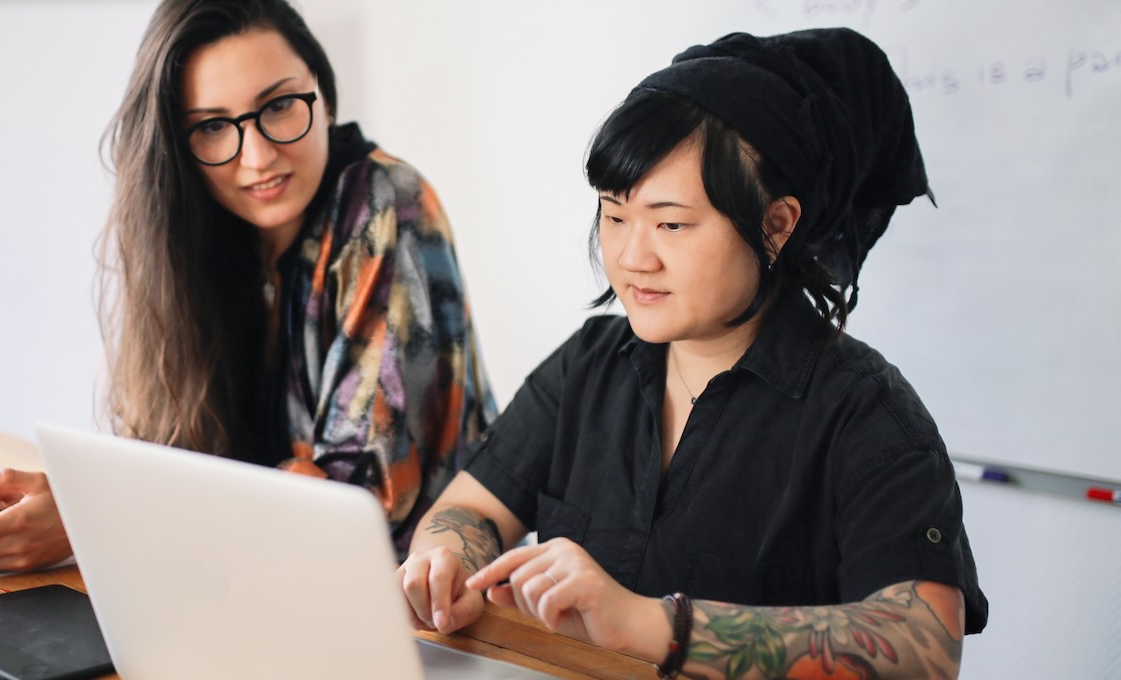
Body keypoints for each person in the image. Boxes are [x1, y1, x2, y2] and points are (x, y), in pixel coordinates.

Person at [397, 28, 987, 679]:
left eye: (671, 223)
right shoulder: (592, 362)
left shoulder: (867, 412)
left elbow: (923, 645)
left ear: (776, 224)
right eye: (615, 216)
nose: (631, 257)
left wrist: (659, 626)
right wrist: (443, 557)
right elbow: (473, 507)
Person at [0, 0, 496, 572]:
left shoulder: (383, 204)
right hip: (245, 588)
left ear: (321, 92)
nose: (259, 154)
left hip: (416, 619)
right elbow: (172, 463)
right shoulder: (198, 231)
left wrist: (98, 517)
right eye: (214, 126)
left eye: (279, 105)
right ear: (176, 144)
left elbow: (358, 502)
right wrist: (85, 504)